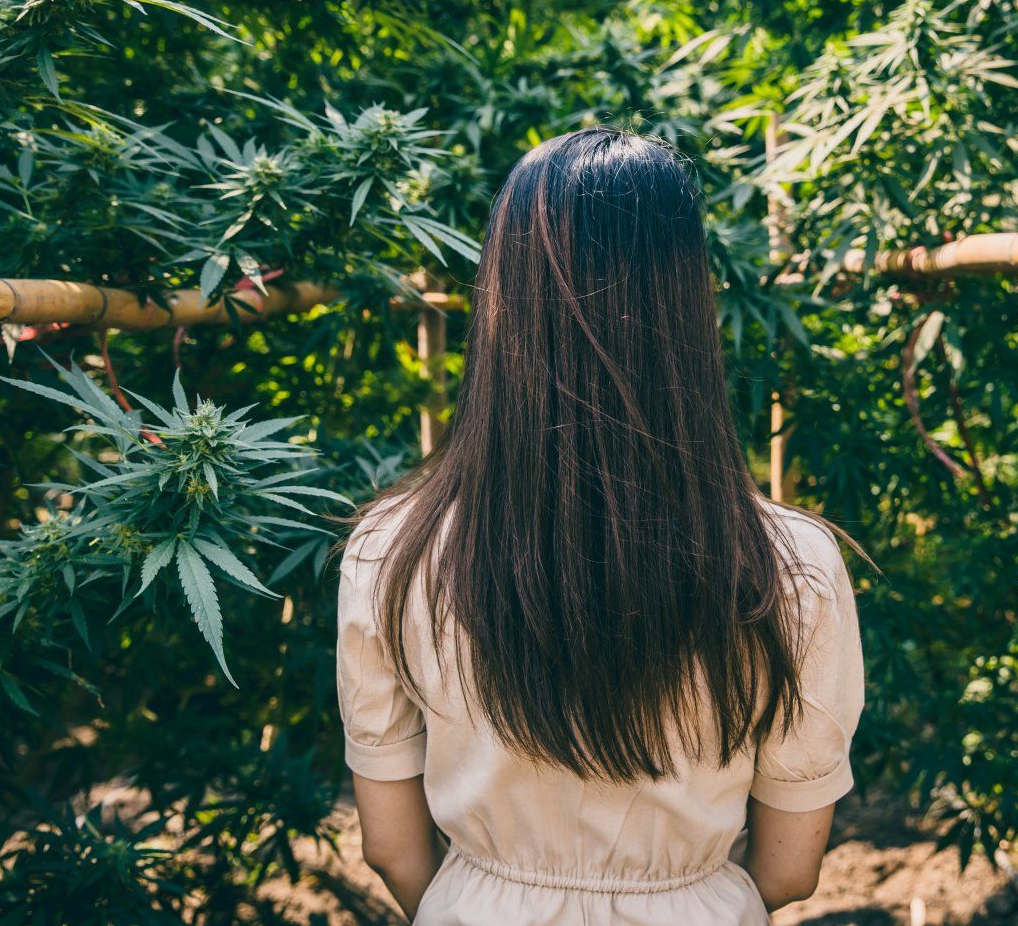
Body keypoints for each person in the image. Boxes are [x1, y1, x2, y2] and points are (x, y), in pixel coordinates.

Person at [336, 126, 865, 925]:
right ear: (686, 304)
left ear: (499, 299)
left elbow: (391, 849)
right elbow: (790, 872)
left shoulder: (392, 552)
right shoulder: (790, 565)